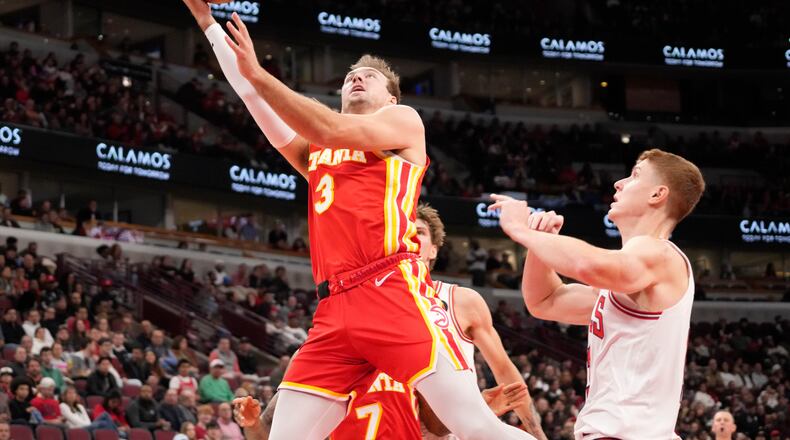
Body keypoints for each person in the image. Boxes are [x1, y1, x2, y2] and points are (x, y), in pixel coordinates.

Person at [181, 2, 534, 439]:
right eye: (349, 76)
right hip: (333, 309)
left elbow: (325, 125)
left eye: (369, 76)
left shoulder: (404, 123)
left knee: (476, 427)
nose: (356, 77)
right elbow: (255, 100)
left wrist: (259, 73)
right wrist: (207, 25)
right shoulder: (318, 154)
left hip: (391, 290)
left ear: (391, 97)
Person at [490, 149, 705, 440]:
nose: (619, 183)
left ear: (657, 194)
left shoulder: (660, 254)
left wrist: (520, 230)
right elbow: (545, 301)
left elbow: (589, 265)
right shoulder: (629, 281)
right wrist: (540, 247)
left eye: (635, 175)